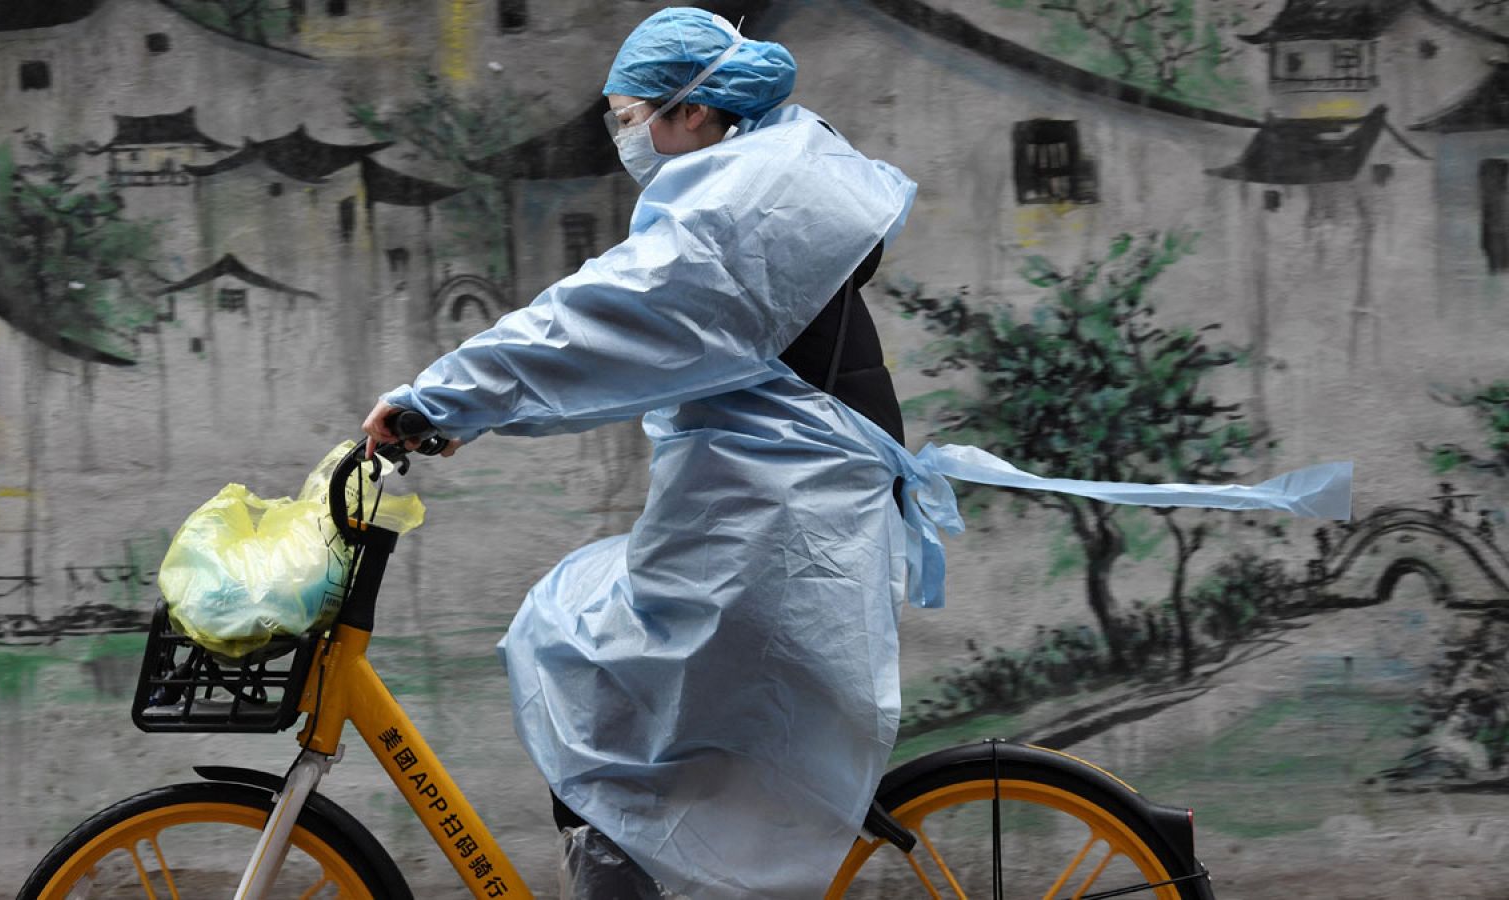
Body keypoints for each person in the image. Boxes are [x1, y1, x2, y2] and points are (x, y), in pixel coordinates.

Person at [363, 8, 1352, 898]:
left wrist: (431, 401)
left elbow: (595, 323)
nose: (622, 138)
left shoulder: (726, 216)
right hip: (780, 510)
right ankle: (634, 867)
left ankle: (620, 875)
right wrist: (467, 411)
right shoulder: (775, 179)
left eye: (629, 116)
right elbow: (633, 347)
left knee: (574, 648)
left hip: (762, 523)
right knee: (598, 656)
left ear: (695, 115)